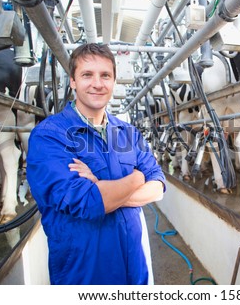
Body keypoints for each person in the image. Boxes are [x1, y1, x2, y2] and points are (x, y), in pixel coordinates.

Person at [26, 43, 166, 285]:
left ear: (113, 81)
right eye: (87, 75)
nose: (98, 83)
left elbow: (159, 186)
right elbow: (88, 202)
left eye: (105, 76)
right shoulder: (50, 135)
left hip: (134, 266)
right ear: (72, 81)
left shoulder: (127, 133)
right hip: (85, 273)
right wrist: (136, 178)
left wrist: (102, 187)